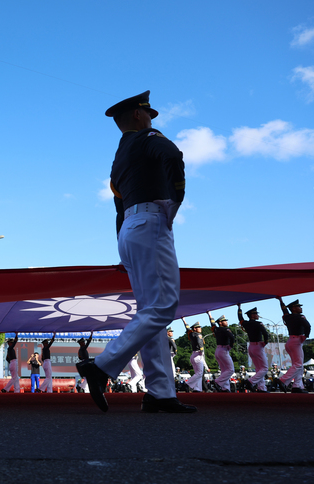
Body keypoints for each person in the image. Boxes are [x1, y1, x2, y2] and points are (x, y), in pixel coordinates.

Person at [77, 91, 195, 414]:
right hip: (151, 222)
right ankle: (101, 367)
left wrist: (121, 243)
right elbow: (173, 155)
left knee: (150, 311)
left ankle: (160, 393)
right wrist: (176, 200)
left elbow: (117, 205)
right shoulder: (148, 138)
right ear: (138, 116)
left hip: (129, 229)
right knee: (163, 306)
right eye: (148, 114)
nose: (151, 119)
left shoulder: (118, 159)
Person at [278, 298, 311, 393]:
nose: (300, 308)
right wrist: (305, 336)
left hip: (290, 341)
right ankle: (283, 380)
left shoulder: (287, 317)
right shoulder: (300, 317)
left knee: (298, 365)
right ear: (293, 308)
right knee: (298, 364)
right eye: (298, 306)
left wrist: (281, 301)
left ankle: (297, 386)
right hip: (297, 341)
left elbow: (284, 309)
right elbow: (308, 326)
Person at [238, 305, 269, 392]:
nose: (257, 315)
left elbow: (240, 318)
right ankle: (251, 381)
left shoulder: (246, 324)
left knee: (259, 369)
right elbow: (265, 334)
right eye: (255, 314)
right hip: (258, 346)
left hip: (251, 346)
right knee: (264, 368)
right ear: (252, 315)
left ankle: (261, 387)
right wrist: (265, 342)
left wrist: (239, 308)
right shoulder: (258, 324)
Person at [209, 313, 235, 392]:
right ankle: (217, 382)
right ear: (220, 322)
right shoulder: (225, 329)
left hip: (218, 350)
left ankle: (225, 388)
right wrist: (230, 346)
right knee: (230, 370)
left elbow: (212, 323)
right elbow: (232, 337)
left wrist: (209, 315)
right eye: (224, 321)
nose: (226, 322)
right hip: (224, 350)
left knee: (224, 371)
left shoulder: (216, 329)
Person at [184, 321, 207, 392]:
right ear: (194, 328)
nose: (200, 328)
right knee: (200, 373)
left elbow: (187, 328)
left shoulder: (191, 334)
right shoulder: (198, 335)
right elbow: (199, 341)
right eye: (198, 327)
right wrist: (202, 350)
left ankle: (197, 388)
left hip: (193, 355)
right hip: (198, 354)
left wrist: (184, 321)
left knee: (198, 373)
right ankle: (187, 383)